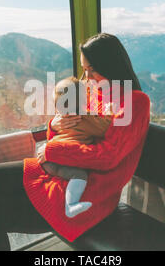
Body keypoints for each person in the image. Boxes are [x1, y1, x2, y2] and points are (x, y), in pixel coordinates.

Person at [0, 33, 151, 251]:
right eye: (85, 70)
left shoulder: (135, 102)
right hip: (65, 174)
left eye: (92, 70)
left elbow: (108, 157)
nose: (87, 77)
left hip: (89, 192)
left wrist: (52, 150)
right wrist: (55, 126)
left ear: (111, 66)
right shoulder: (93, 93)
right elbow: (65, 134)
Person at [42, 76, 113, 218]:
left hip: (47, 161)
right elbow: (104, 128)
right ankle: (71, 205)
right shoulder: (85, 117)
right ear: (84, 100)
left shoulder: (60, 117)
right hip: (63, 161)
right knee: (80, 176)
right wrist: (109, 112)